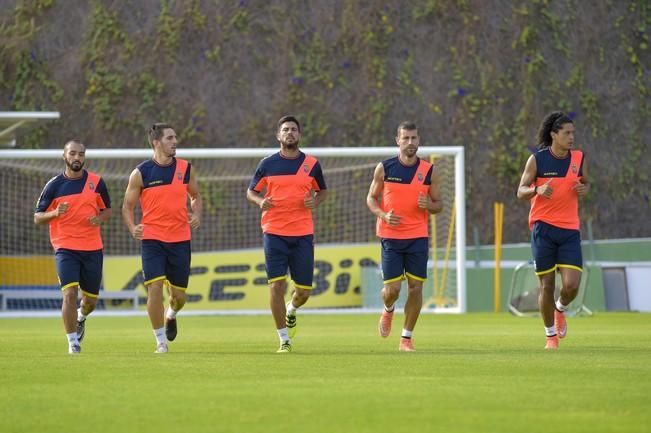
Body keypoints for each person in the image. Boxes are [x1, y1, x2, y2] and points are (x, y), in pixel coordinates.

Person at [246, 115, 328, 353]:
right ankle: (284, 339)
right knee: (276, 285)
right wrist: (260, 201)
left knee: (303, 291)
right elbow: (251, 192)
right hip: (274, 232)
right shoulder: (267, 164)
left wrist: (316, 200)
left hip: (303, 234)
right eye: (285, 130)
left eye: (293, 129)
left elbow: (323, 192)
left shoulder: (312, 164)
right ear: (278, 136)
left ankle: (292, 309)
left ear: (299, 135)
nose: (290, 133)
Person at [122, 123, 202, 354]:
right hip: (152, 239)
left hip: (180, 239)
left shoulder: (186, 169)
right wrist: (132, 226)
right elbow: (127, 206)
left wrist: (196, 213)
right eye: (169, 138)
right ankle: (160, 342)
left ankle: (172, 313)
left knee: (178, 297)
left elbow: (195, 196)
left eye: (175, 137)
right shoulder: (141, 173)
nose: (175, 141)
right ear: (156, 142)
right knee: (154, 287)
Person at [366, 121, 443, 352]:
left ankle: (406, 339)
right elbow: (371, 198)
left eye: (414, 138)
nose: (410, 143)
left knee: (416, 288)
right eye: (406, 138)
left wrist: (429, 204)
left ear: (419, 140)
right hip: (390, 237)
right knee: (392, 292)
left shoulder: (429, 171)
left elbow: (439, 205)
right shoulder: (385, 168)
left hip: (418, 237)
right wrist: (382, 215)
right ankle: (388, 310)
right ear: (397, 140)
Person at [517, 111, 589, 350]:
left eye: (573, 133)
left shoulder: (578, 159)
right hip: (543, 229)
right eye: (566, 133)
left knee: (571, 286)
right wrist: (535, 191)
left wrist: (583, 188)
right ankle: (550, 337)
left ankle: (561, 308)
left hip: (569, 231)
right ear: (554, 135)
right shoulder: (537, 160)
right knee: (546, 285)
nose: (571, 137)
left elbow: (585, 183)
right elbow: (520, 191)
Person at [34, 140, 112, 354]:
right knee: (69, 293)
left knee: (90, 302)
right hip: (65, 247)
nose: (77, 157)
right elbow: (38, 217)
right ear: (64, 156)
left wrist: (99, 218)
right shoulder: (54, 185)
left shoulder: (96, 182)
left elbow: (108, 210)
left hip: (92, 248)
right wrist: (55, 213)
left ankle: (81, 317)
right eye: (73, 153)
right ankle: (73, 343)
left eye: (81, 154)